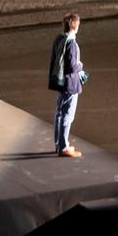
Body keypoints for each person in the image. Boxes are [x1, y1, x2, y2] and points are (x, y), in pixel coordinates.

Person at [48, 13, 87, 159]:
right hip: (70, 83)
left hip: (59, 81)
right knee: (67, 115)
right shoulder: (72, 44)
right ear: (75, 26)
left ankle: (58, 144)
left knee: (59, 112)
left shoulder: (59, 39)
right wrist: (81, 67)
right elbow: (72, 66)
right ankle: (64, 147)